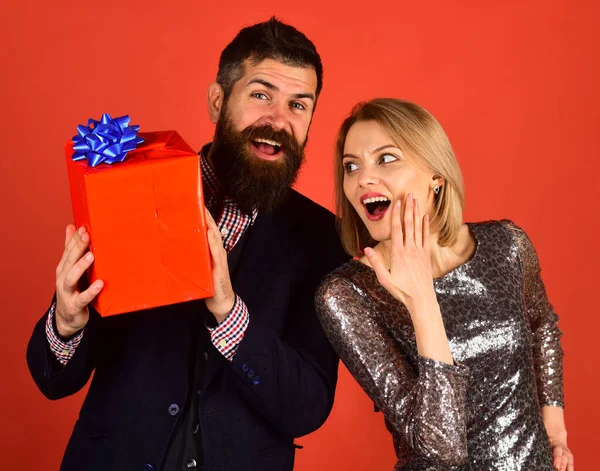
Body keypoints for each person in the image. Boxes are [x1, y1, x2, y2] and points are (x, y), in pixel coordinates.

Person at [27, 18, 348, 471]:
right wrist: (66, 321)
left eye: (298, 104)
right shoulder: (134, 188)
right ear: (217, 102)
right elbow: (53, 380)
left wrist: (229, 312)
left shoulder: (324, 239)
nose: (278, 120)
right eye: (261, 95)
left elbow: (307, 406)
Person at [316, 98, 574, 471]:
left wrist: (555, 433)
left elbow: (541, 325)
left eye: (385, 158)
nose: (362, 179)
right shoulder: (347, 294)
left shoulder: (507, 245)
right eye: (351, 166)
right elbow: (441, 449)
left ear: (436, 176)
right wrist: (422, 301)